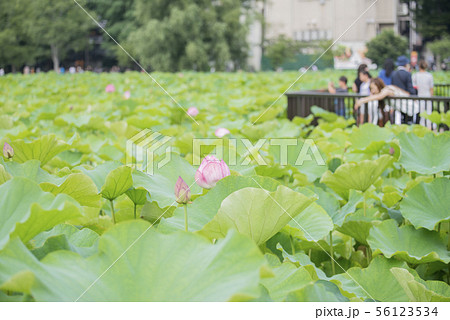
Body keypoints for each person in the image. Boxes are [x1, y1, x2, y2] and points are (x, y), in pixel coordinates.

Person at [413, 60, 434, 128]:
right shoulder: (429, 76)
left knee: (420, 113)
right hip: (427, 96)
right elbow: (431, 88)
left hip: (419, 96)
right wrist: (431, 96)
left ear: (419, 66)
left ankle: (422, 127)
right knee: (428, 112)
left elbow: (414, 87)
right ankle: (429, 126)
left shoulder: (415, 75)